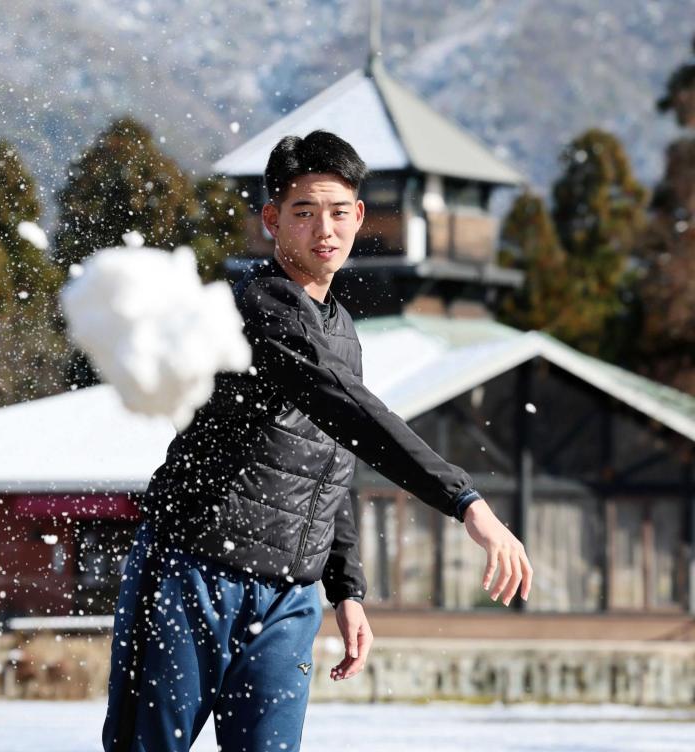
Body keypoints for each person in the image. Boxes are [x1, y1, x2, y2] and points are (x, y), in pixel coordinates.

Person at [101, 129, 534, 752]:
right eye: (303, 212)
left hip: (288, 597)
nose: (323, 229)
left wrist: (346, 590)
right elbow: (354, 414)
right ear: (272, 221)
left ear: (359, 216)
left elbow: (330, 464)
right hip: (193, 568)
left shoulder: (342, 332)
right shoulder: (258, 307)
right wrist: (466, 501)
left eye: (337, 212)